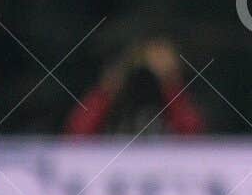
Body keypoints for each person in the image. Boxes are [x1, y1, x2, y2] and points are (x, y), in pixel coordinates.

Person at [64, 39, 206, 136]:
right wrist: (107, 90)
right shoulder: (115, 102)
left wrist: (170, 84)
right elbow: (77, 139)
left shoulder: (175, 101)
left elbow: (194, 141)